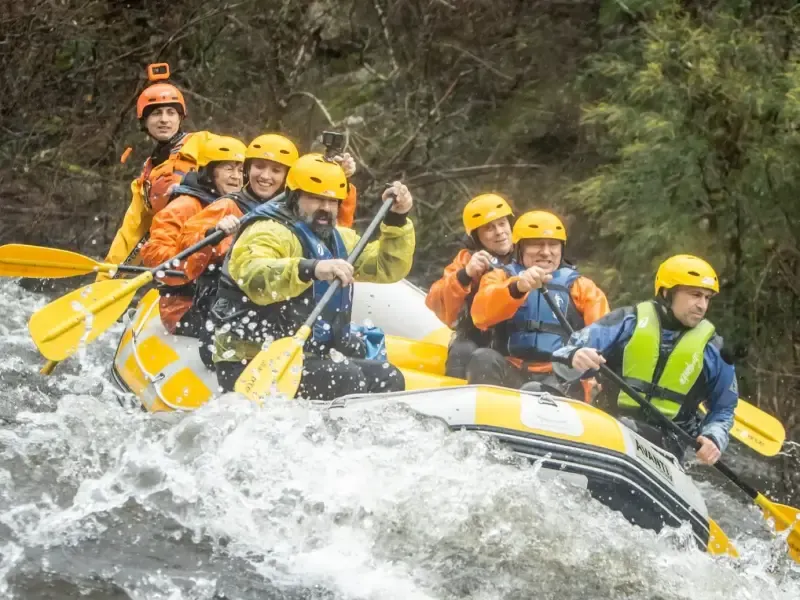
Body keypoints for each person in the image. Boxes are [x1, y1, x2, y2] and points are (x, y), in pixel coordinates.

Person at [209, 153, 416, 399]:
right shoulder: (267, 230)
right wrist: (310, 268)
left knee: (387, 376)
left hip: (307, 356)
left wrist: (397, 218)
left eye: (332, 201)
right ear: (294, 197)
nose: (325, 208)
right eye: (316, 199)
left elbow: (387, 266)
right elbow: (254, 276)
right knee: (346, 375)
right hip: (252, 359)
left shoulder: (339, 238)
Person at [552, 255, 737, 465]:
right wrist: (575, 357)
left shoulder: (713, 350)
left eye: (707, 298)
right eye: (695, 295)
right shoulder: (627, 322)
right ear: (667, 293)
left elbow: (724, 409)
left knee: (629, 427)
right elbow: (562, 359)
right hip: (606, 424)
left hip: (666, 446)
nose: (702, 305)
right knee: (536, 389)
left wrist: (714, 437)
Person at [466, 211, 610, 398]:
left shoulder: (582, 287)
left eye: (553, 245)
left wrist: (587, 359)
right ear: (520, 248)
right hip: (512, 369)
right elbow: (479, 316)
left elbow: (604, 333)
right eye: (536, 244)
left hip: (559, 376)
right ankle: (486, 413)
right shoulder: (501, 276)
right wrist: (517, 288)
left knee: (534, 390)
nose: (546, 252)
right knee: (483, 358)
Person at [97, 76, 209, 281]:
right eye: (157, 113)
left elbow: (247, 164)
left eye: (171, 113)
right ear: (145, 121)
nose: (164, 120)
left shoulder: (203, 144)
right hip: (179, 261)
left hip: (215, 247)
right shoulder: (148, 177)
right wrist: (106, 282)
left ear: (180, 118)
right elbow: (131, 235)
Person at [140, 134, 246, 338]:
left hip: (221, 302)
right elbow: (154, 256)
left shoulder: (238, 206)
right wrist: (205, 247)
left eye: (241, 170)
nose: (236, 177)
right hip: (184, 307)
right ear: (210, 171)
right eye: (228, 168)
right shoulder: (184, 206)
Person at [425, 194, 515, 378]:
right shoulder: (466, 260)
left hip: (515, 346)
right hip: (475, 340)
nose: (499, 232)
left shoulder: (527, 256)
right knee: (462, 350)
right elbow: (434, 301)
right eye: (489, 228)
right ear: (476, 237)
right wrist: (465, 275)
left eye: (502, 223)